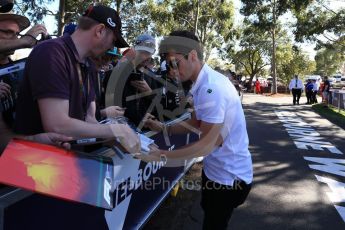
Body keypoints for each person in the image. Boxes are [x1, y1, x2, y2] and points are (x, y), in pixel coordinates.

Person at [137, 31, 253, 230]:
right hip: (217, 172)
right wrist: (163, 127)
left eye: (175, 63)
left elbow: (206, 144)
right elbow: (194, 123)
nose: (172, 70)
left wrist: (162, 155)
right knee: (209, 216)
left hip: (228, 178)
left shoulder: (211, 88)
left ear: (192, 55)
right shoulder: (202, 83)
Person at [14, 4, 140, 153]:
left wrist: (113, 139)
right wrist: (117, 130)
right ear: (99, 31)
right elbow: (57, 125)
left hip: (72, 162)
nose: (111, 47)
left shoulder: (89, 65)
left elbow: (89, 119)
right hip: (34, 163)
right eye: (113, 41)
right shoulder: (52, 52)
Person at [109, 34, 158, 128]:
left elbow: (158, 106)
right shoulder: (116, 74)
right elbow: (112, 107)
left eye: (149, 53)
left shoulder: (151, 76)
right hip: (123, 131)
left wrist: (149, 93)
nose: (146, 57)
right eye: (143, 52)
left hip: (146, 132)